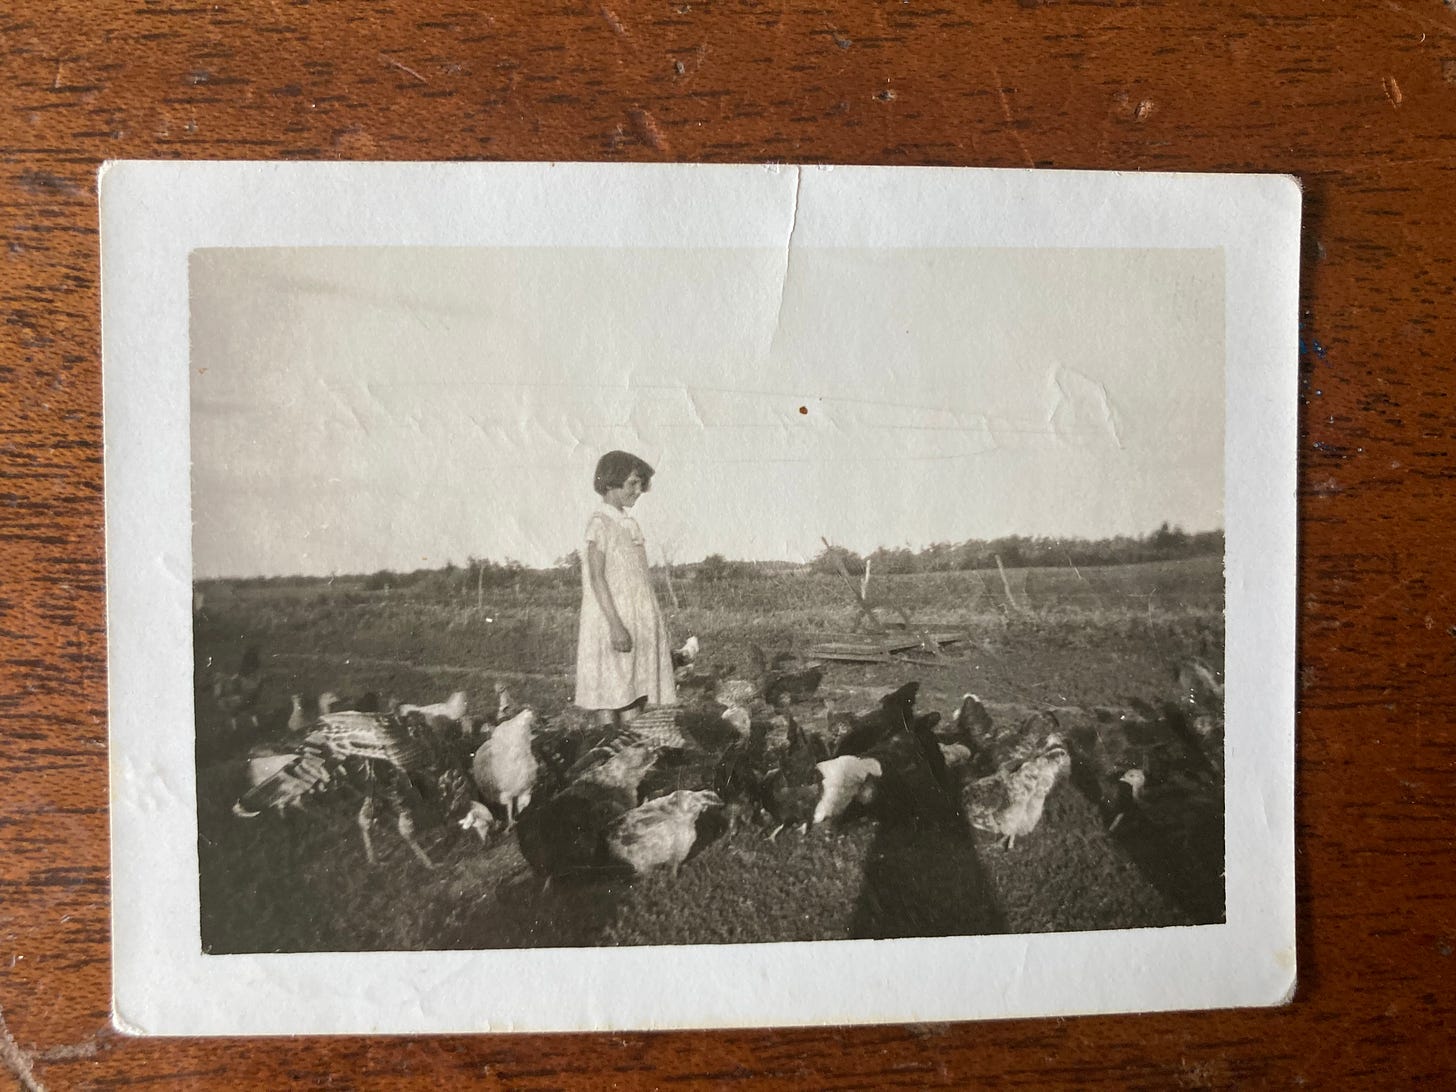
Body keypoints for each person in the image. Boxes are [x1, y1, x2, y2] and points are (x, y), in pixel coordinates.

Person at [575, 450, 676, 728]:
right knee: (610, 696)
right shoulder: (600, 524)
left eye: (641, 483)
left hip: (635, 620)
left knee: (633, 692)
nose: (639, 490)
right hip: (612, 620)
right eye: (632, 483)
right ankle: (608, 752)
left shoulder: (628, 523)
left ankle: (632, 756)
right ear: (610, 483)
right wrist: (616, 626)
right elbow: (597, 578)